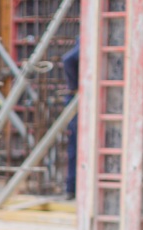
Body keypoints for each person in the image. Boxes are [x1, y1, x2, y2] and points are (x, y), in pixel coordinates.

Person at [62, 38, 80, 200]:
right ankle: (72, 188)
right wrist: (75, 86)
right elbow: (68, 59)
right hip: (78, 100)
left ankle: (72, 188)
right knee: (77, 146)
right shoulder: (87, 39)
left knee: (76, 147)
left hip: (78, 98)